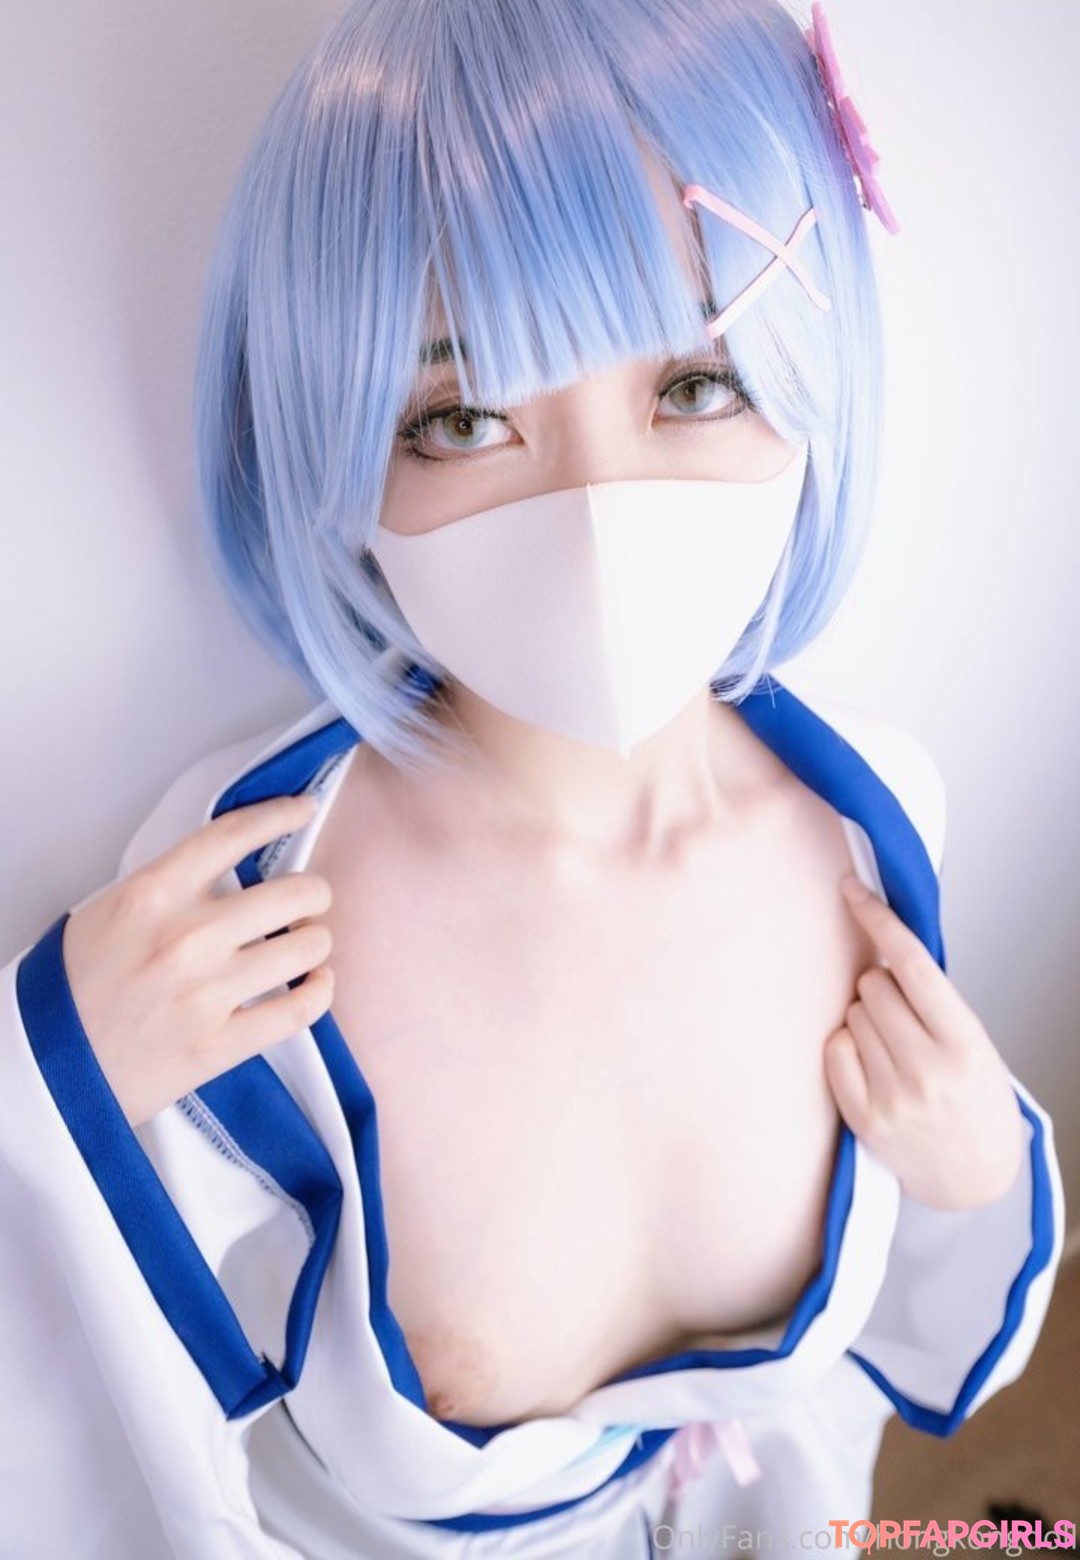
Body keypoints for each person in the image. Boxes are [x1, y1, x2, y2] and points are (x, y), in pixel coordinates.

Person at [0, 0, 1065, 1555]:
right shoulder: (258, 896)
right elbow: (91, 1386)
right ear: (334, 449)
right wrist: (52, 1083)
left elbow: (927, 1316)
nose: (597, 520)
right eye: (465, 418)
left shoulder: (869, 820)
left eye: (694, 387)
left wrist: (973, 1171)